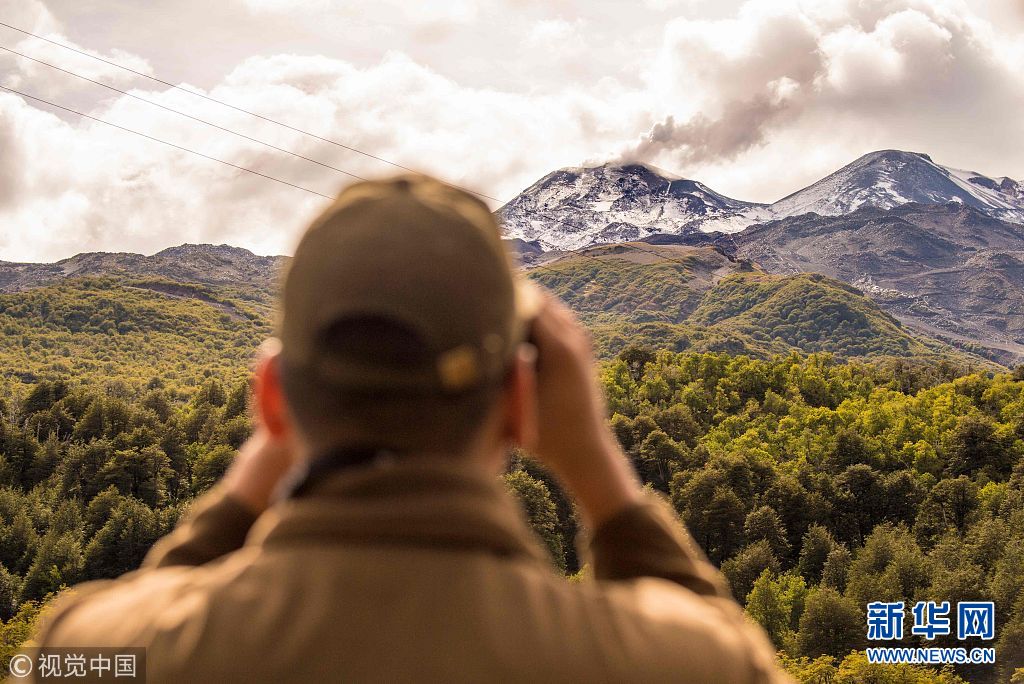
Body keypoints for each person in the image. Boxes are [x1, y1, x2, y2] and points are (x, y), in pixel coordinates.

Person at [32, 176, 791, 683]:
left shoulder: (95, 651)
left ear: (271, 401)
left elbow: (147, 621)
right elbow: (724, 653)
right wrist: (600, 474)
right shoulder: (673, 661)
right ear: (520, 403)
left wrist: (239, 497)